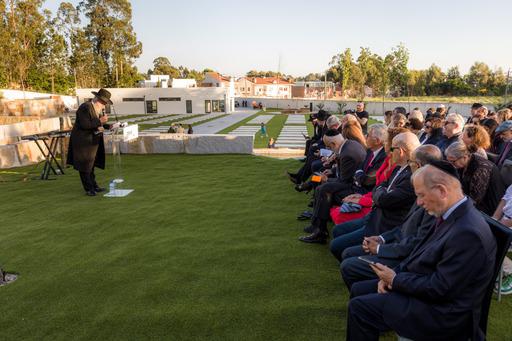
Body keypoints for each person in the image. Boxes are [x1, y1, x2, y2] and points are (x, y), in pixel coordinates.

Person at [346, 164, 497, 341]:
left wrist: (395, 280)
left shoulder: (468, 232)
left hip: (444, 314)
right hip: (430, 295)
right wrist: (393, 276)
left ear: (441, 191)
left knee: (360, 308)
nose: (418, 202)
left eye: (421, 195)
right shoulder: (451, 214)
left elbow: (441, 288)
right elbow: (418, 254)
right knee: (359, 290)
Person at [340, 145, 442, 288]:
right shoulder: (416, 181)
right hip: (391, 235)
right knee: (347, 253)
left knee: (349, 265)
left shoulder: (430, 196)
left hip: (405, 256)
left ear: (417, 165)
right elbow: (379, 189)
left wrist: (380, 249)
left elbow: (417, 241)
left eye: (410, 162)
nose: (408, 165)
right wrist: (382, 239)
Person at [329, 132, 420, 259]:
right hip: (375, 216)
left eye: (392, 148)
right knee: (337, 231)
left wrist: (380, 192)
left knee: (337, 247)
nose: (389, 151)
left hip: (384, 225)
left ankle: (357, 266)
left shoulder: (410, 176)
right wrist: (380, 192)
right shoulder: (399, 168)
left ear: (400, 151)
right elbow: (380, 187)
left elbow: (383, 199)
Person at [299, 129, 366, 244]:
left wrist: (327, 179)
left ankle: (320, 230)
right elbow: (343, 172)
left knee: (323, 187)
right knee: (319, 176)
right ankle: (316, 222)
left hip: (355, 188)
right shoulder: (348, 145)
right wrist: (331, 170)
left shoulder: (347, 153)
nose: (329, 150)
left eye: (329, 147)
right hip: (350, 181)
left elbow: (344, 181)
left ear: (333, 144)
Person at [67, 88, 113, 196]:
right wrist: (100, 121)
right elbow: (85, 124)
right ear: (98, 100)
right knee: (84, 166)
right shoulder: (85, 107)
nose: (103, 106)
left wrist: (109, 126)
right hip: (82, 142)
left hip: (91, 142)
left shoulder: (95, 108)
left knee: (90, 165)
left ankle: (94, 186)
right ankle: (88, 189)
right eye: (103, 103)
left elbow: (96, 123)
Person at [446, 142, 504, 215]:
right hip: (472, 201)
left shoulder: (481, 168)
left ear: (464, 157)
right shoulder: (462, 164)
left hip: (487, 208)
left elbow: (475, 199)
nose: (451, 164)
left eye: (453, 161)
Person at [492, 183, 512, 294]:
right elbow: (505, 199)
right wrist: (494, 219)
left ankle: (509, 270)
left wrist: (499, 226)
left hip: (509, 225)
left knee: (488, 242)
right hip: (505, 221)